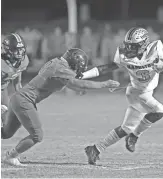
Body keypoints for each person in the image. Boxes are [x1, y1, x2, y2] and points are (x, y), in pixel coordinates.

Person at [1, 48, 120, 166]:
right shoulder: (61, 68)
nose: (77, 70)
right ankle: (11, 156)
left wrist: (79, 89)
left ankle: (10, 155)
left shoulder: (57, 63)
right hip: (24, 101)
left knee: (6, 133)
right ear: (74, 63)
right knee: (37, 135)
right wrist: (105, 84)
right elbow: (79, 82)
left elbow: (67, 83)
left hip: (18, 98)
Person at [81, 27, 163, 165]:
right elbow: (106, 68)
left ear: (144, 44)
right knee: (159, 111)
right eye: (128, 45)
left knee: (126, 128)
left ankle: (95, 149)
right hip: (137, 93)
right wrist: (83, 75)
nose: (129, 48)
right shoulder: (124, 54)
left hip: (142, 91)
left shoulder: (157, 47)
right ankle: (135, 136)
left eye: (133, 45)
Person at [1, 33, 29, 117]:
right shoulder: (2, 63)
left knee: (5, 116)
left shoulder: (23, 61)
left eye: (21, 49)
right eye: (16, 50)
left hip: (2, 87)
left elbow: (17, 78)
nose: (20, 53)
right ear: (7, 50)